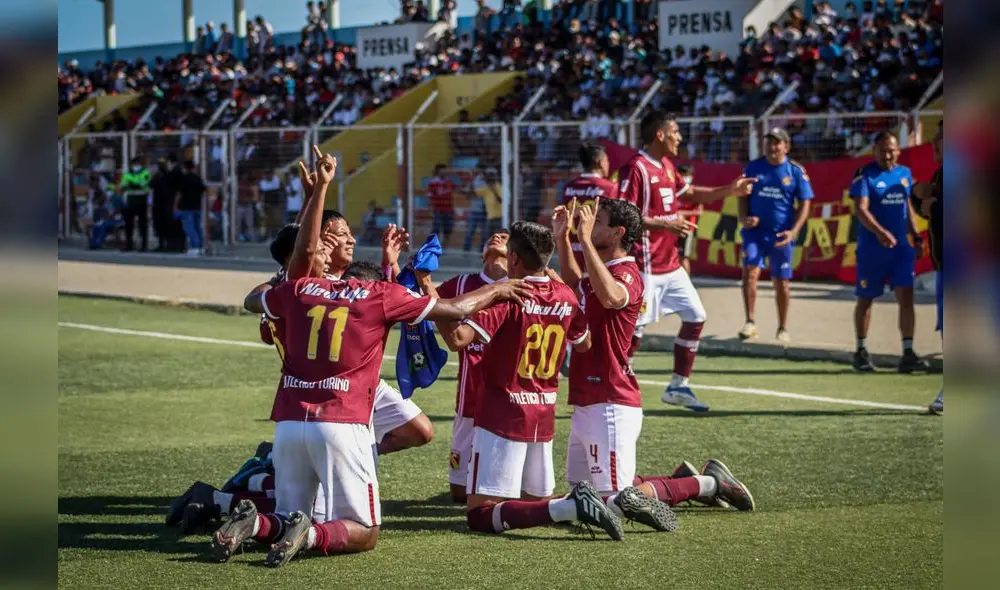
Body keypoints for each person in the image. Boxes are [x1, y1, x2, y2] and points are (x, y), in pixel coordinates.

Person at [216, 147, 529, 567]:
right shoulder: (380, 294)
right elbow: (455, 311)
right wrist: (499, 289)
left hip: (290, 422)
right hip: (344, 419)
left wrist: (319, 193)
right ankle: (302, 535)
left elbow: (257, 298)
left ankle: (254, 525)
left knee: (291, 515)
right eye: (333, 240)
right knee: (363, 533)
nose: (338, 245)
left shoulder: (294, 290)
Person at [554, 197, 755, 527]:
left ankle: (709, 484)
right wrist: (564, 238)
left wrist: (584, 241)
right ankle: (681, 478)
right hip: (587, 398)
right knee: (581, 497)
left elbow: (611, 297)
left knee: (614, 505)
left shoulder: (629, 273)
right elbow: (577, 284)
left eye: (598, 222)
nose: (589, 226)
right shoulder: (600, 270)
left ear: (618, 233)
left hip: (611, 401)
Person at [438, 221, 627, 541]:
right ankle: (595, 503)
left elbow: (458, 339)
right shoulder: (566, 295)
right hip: (542, 417)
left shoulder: (508, 296)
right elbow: (583, 343)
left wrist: (432, 294)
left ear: (513, 258)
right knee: (532, 504)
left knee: (480, 515)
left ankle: (572, 507)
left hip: (501, 416)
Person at [618, 111, 756, 412]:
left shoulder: (667, 166)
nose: (680, 137)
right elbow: (624, 216)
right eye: (675, 132)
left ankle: (678, 386)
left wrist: (729, 191)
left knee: (695, 316)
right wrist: (666, 226)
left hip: (671, 264)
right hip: (646, 266)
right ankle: (616, 385)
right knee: (634, 330)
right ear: (660, 135)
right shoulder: (636, 168)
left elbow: (690, 193)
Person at [432, 229, 510, 503]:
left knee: (514, 493)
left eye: (505, 237)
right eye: (492, 236)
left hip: (510, 402)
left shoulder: (524, 286)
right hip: (470, 399)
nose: (496, 238)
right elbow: (422, 299)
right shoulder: (462, 283)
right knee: (459, 493)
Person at [850, 132, 929, 374]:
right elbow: (861, 210)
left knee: (906, 298)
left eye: (892, 150)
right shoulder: (865, 175)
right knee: (866, 299)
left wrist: (916, 236)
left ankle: (907, 353)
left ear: (898, 150)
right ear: (874, 150)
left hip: (901, 251)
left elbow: (908, 208)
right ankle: (861, 351)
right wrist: (880, 232)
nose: (887, 154)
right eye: (882, 150)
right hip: (873, 251)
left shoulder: (904, 174)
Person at [738, 128, 814, 343]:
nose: (773, 147)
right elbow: (743, 194)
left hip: (781, 236)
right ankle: (750, 322)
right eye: (769, 143)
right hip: (754, 234)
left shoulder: (795, 171)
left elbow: (805, 203)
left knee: (781, 282)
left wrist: (794, 231)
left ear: (786, 146)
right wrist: (744, 217)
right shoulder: (754, 167)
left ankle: (782, 327)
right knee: (750, 272)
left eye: (777, 143)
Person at [912, 121, 943, 413]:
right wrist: (918, 194)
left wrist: (935, 204)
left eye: (939, 140)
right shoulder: (940, 173)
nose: (934, 144)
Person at [561, 142, 619, 271]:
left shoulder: (568, 187)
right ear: (600, 162)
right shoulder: (610, 188)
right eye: (607, 160)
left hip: (574, 254)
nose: (608, 164)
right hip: (598, 255)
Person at [149, 155, 182, 252]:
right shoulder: (158, 176)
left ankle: (172, 244)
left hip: (168, 203)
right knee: (159, 225)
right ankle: (162, 244)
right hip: (159, 204)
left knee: (170, 225)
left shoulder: (172, 174)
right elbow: (151, 185)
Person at [118, 156, 151, 251]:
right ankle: (129, 245)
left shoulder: (145, 172)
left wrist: (131, 185)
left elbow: (143, 184)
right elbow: (123, 186)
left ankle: (144, 246)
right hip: (130, 200)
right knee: (128, 224)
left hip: (141, 199)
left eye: (137, 164)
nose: (135, 166)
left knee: (142, 224)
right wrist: (132, 185)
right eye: (134, 164)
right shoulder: (127, 174)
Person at [675, 164, 703, 275]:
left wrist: (681, 213)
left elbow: (699, 211)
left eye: (686, 176)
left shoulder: (694, 192)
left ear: (691, 176)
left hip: (686, 229)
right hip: (671, 227)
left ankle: (687, 283)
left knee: (683, 258)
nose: (683, 178)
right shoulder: (673, 189)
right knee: (672, 258)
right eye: (681, 175)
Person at [175, 160, 206, 256]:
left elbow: (179, 193)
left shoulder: (184, 179)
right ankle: (201, 247)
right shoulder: (198, 178)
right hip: (197, 206)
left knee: (189, 227)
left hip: (187, 206)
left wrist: (175, 205)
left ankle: (194, 246)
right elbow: (203, 190)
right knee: (198, 227)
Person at [427, 164, 456, 248]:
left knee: (448, 229)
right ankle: (432, 247)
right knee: (436, 229)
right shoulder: (433, 182)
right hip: (438, 209)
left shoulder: (449, 181)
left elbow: (456, 189)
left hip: (449, 209)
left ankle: (444, 247)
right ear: (438, 171)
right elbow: (430, 196)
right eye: (442, 170)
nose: (445, 172)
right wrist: (431, 208)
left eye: (446, 170)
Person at [259, 169, 284, 240]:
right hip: (267, 205)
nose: (268, 176)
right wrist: (262, 204)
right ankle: (267, 236)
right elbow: (261, 194)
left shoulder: (277, 181)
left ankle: (276, 236)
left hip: (276, 204)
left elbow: (281, 192)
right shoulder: (262, 183)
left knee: (276, 221)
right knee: (267, 222)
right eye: (267, 174)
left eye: (270, 174)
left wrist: (281, 204)